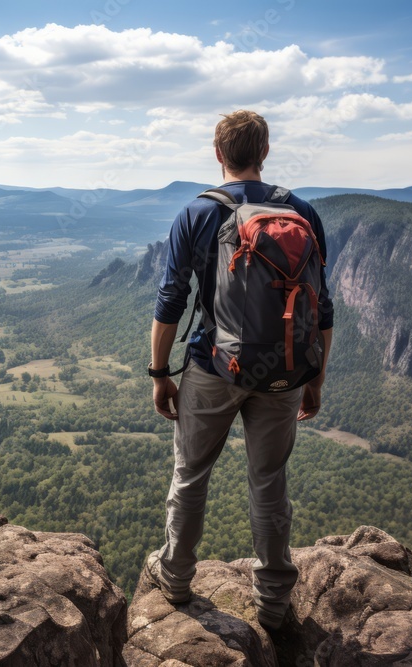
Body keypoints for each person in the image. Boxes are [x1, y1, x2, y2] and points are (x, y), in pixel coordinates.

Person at [145, 109, 333, 632]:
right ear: (266, 152)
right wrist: (314, 378)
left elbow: (170, 302)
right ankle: (273, 606)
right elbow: (324, 307)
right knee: (269, 482)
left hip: (213, 368)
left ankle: (177, 580)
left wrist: (159, 374)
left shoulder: (197, 213)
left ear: (217, 152)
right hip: (286, 374)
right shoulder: (303, 212)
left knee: (190, 475)